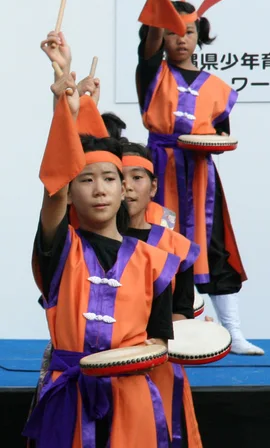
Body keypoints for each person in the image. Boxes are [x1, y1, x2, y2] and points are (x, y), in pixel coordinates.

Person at [24, 31, 180, 448]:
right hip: (69, 397)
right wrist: (64, 100)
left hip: (131, 401)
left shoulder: (154, 261)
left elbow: (159, 342)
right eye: (86, 180)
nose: (100, 189)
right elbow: (53, 186)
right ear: (72, 193)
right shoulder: (62, 249)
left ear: (125, 189)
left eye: (110, 179)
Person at [135, 0, 263, 356]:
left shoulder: (218, 88)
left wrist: (213, 143)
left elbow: (223, 134)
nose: (181, 40)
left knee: (216, 246)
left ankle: (233, 332)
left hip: (202, 179)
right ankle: (167, 334)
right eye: (172, 33)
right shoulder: (152, 76)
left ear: (199, 35)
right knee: (162, 246)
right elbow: (149, 48)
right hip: (161, 172)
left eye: (188, 31)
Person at [121, 140, 202, 448]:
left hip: (158, 362)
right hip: (106, 359)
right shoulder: (88, 243)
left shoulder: (177, 247)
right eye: (120, 177)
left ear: (153, 187)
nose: (128, 187)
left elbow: (181, 311)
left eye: (137, 178)